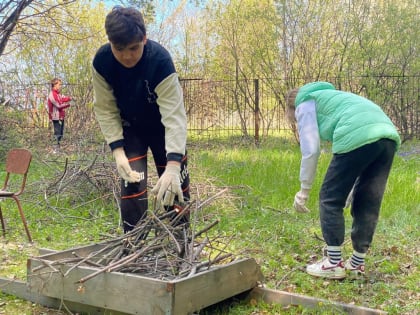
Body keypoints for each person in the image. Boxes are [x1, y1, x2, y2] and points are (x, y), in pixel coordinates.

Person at [286, 81, 400, 279]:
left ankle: (333, 263)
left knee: (330, 198)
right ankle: (357, 264)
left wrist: (304, 190)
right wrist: (347, 189)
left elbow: (311, 150)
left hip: (358, 133)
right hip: (388, 135)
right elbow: (358, 157)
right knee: (368, 201)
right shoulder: (333, 97)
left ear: (292, 107)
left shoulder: (304, 103)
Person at [92, 6, 190, 233]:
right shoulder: (102, 62)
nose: (127, 56)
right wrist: (117, 151)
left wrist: (174, 165)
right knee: (131, 187)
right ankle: (133, 246)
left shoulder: (160, 61)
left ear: (144, 39)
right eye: (120, 49)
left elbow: (174, 117)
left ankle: (182, 245)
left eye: (134, 48)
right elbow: (105, 109)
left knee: (175, 187)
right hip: (130, 128)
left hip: (162, 128)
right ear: (110, 43)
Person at [47, 78, 72, 150]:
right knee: (57, 133)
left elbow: (64, 98)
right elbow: (58, 105)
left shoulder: (58, 94)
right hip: (56, 117)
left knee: (61, 133)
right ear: (54, 85)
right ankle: (55, 149)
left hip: (61, 116)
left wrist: (71, 98)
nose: (60, 86)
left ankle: (58, 148)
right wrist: (69, 104)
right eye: (59, 84)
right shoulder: (52, 95)